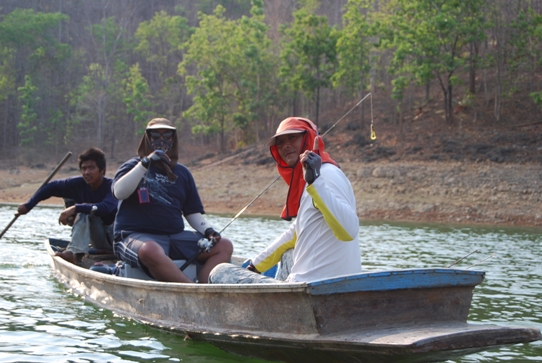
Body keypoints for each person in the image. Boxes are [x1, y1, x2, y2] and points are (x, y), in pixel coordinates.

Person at [209, 117, 361, 284]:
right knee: (288, 254)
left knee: (219, 272)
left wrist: (316, 181)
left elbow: (349, 230)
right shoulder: (315, 178)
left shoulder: (326, 175)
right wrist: (255, 266)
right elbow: (296, 232)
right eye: (280, 142)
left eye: (292, 138)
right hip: (315, 284)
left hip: (316, 288)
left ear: (309, 138)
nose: (285, 145)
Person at [112, 117, 233, 283]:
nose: (161, 140)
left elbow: (192, 212)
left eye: (167, 135)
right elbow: (119, 192)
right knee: (151, 250)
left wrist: (209, 231)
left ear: (173, 139)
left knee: (224, 246)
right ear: (147, 138)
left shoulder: (182, 173)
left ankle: (205, 290)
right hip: (134, 237)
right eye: (155, 135)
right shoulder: (132, 166)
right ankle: (191, 291)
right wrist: (145, 163)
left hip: (174, 238)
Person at [17, 148, 117, 265]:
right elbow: (52, 187)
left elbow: (105, 208)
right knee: (82, 208)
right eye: (83, 168)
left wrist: (75, 208)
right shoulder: (79, 184)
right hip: (97, 238)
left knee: (85, 210)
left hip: (114, 239)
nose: (87, 172)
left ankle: (73, 253)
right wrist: (28, 205)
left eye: (91, 168)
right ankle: (75, 252)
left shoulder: (113, 186)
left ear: (102, 170)